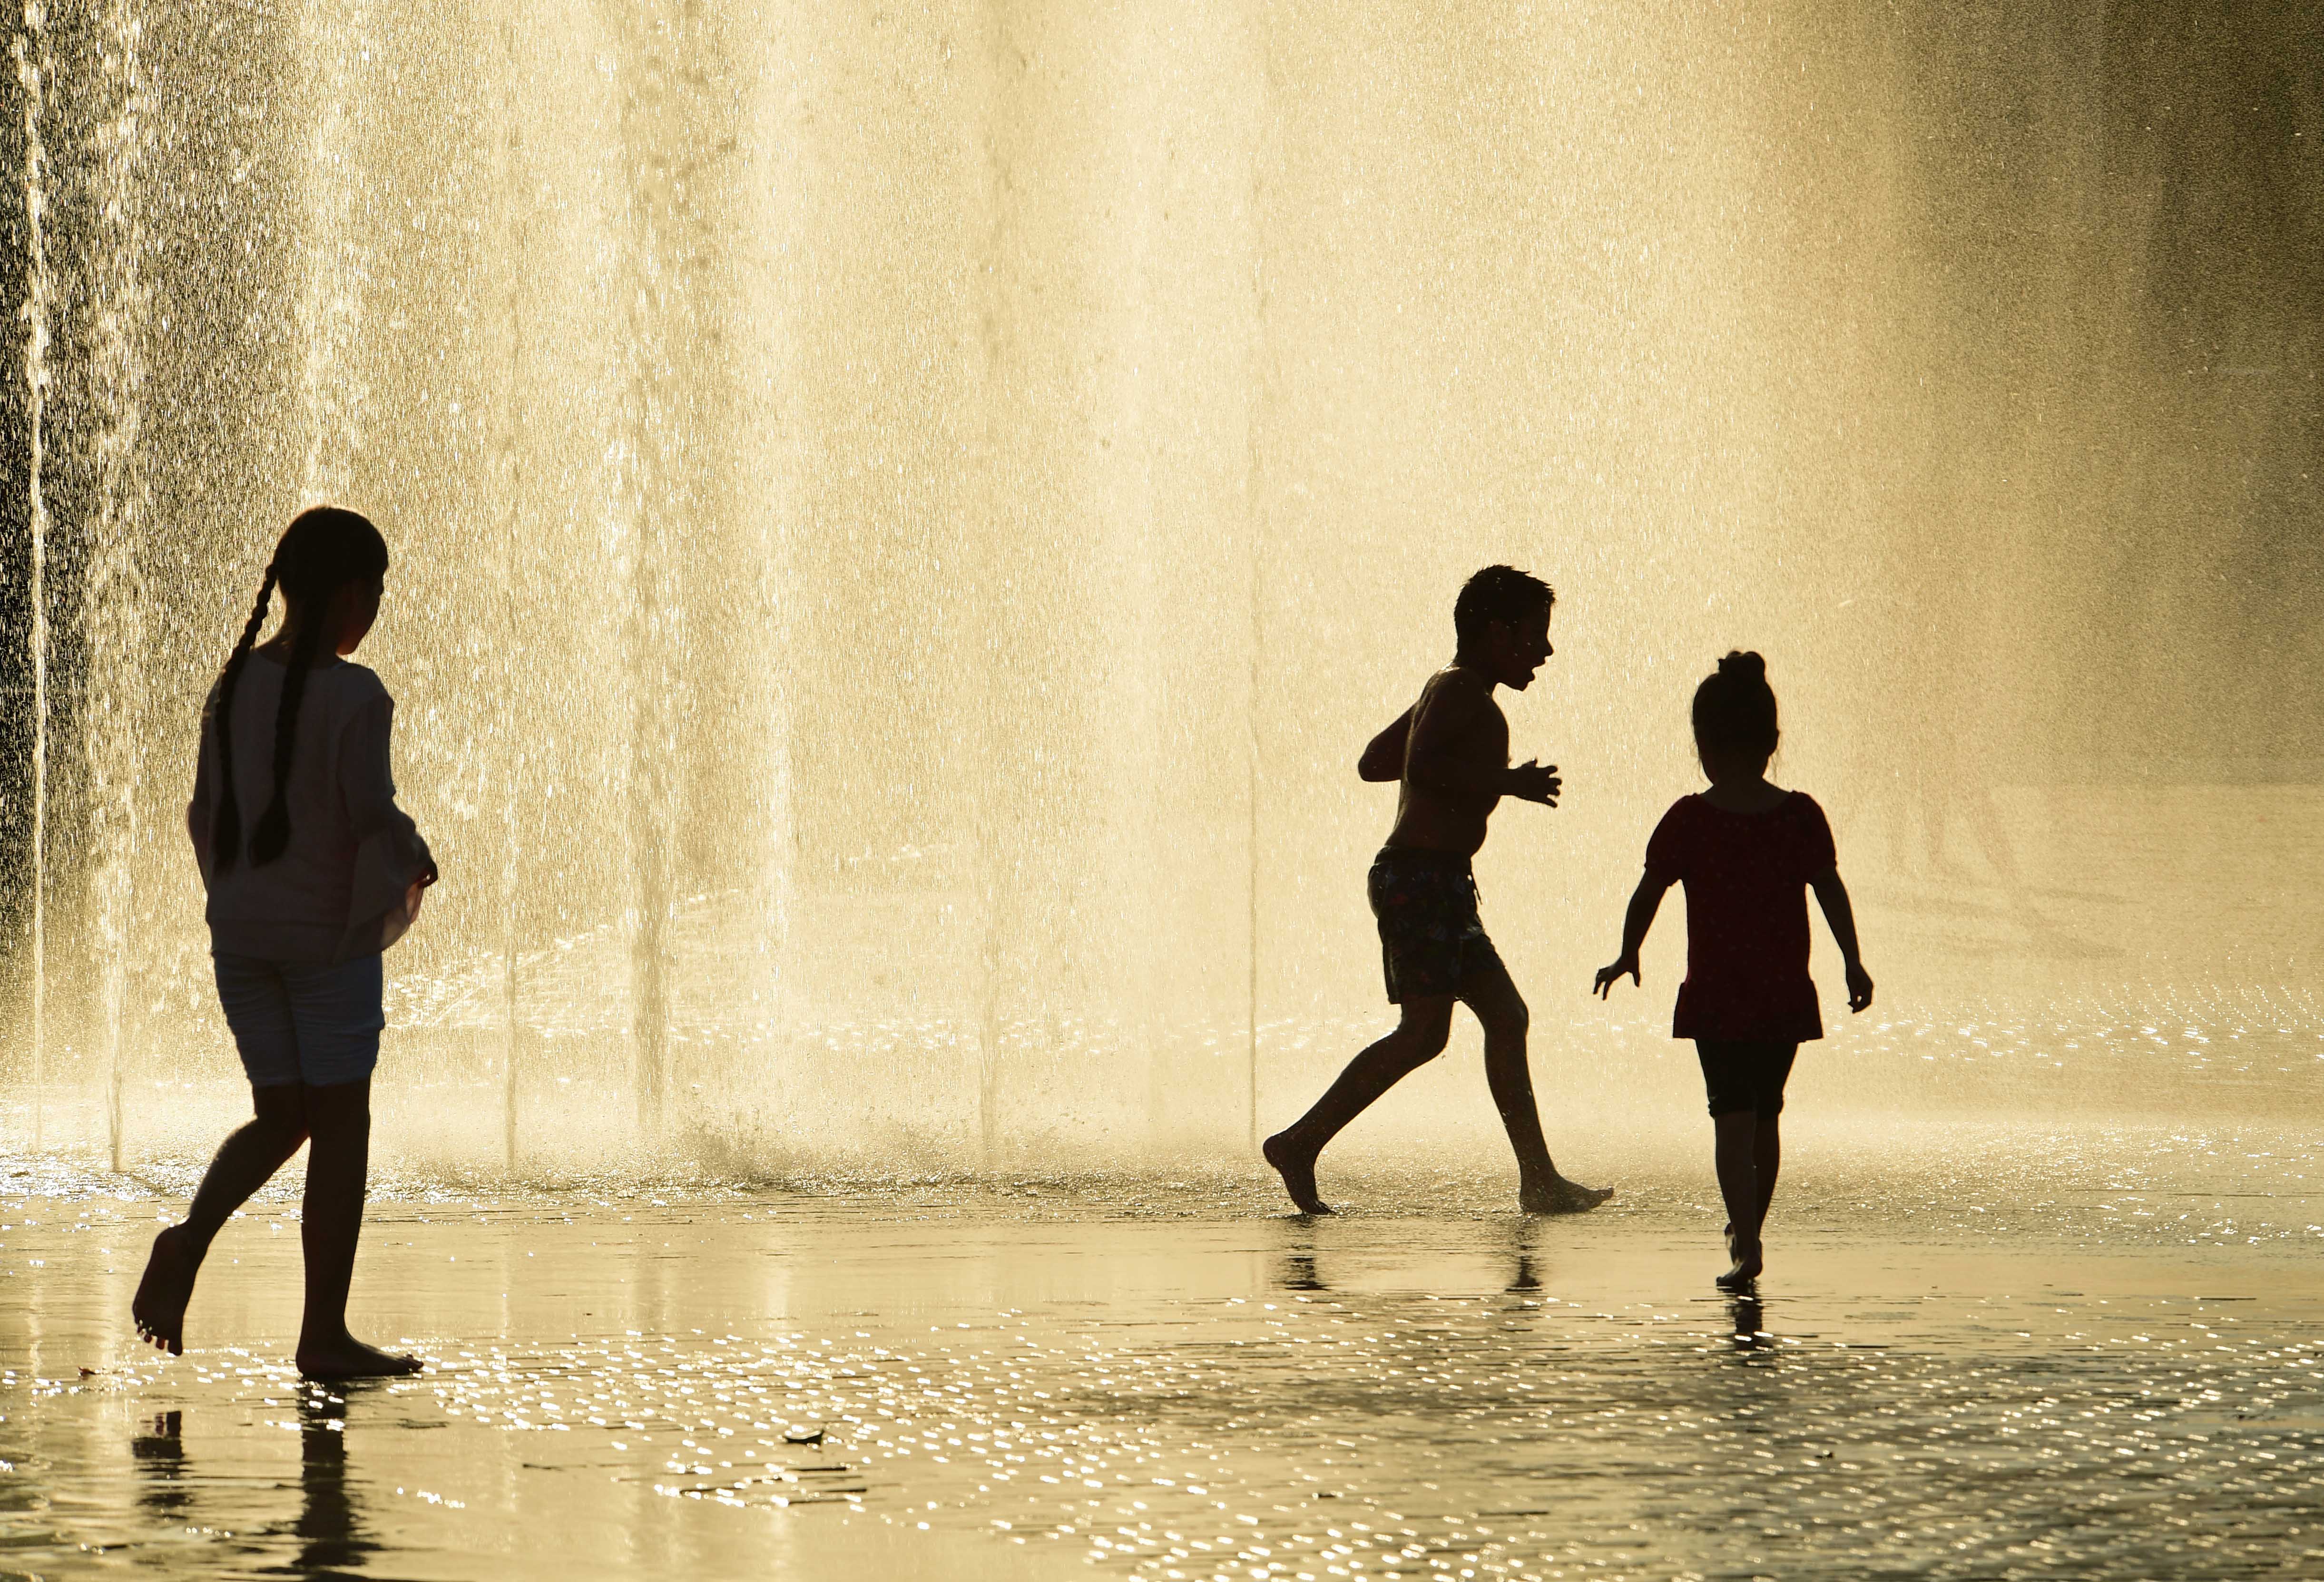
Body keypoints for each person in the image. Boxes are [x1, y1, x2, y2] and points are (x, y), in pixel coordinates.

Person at [132, 506, 436, 1378]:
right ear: (348, 595)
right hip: (325, 946)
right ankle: (322, 1335)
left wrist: (236, 905)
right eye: (375, 590)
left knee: (283, 1114)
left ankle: (187, 1241)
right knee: (339, 1125)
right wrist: (416, 856)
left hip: (243, 939)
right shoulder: (357, 696)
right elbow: (368, 813)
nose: (376, 607)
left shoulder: (231, 684)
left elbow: (202, 816)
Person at [1263, 566, 1611, 1216]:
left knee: (1505, 1017)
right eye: (1534, 634)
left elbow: (1376, 762)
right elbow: (1420, 767)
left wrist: (1433, 732)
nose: (1545, 651)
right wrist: (1505, 781)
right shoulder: (1459, 691)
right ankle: (1299, 1142)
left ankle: (1538, 1180)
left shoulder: (1447, 688)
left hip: (1441, 882)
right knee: (1424, 1032)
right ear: (1497, 633)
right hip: (1417, 880)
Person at [1593, 651, 1872, 1290]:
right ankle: (1749, 1235)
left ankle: (1744, 1239)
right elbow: (1830, 892)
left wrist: (1628, 951)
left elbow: (1649, 891)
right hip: (1781, 993)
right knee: (1766, 1115)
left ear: (1703, 746)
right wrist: (1852, 961)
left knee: (1730, 1117)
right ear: (1772, 743)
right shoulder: (1799, 816)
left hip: (1718, 995)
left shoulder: (1690, 819)